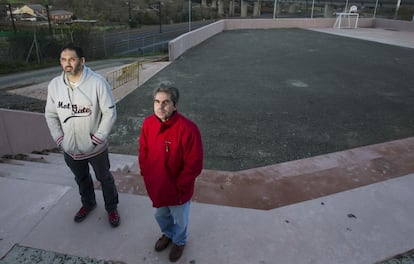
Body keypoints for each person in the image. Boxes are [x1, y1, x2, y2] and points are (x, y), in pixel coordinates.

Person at [45, 43, 120, 227]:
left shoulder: (97, 82)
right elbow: (51, 114)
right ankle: (88, 204)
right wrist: (59, 139)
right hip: (70, 149)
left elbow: (110, 113)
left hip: (95, 148)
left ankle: (112, 208)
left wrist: (98, 138)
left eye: (72, 59)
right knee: (81, 179)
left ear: (82, 61)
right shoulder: (55, 85)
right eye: (63, 60)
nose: (67, 63)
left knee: (105, 178)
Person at [138, 86, 203, 262]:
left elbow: (194, 164)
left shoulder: (188, 129)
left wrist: (180, 186)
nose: (160, 106)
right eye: (157, 102)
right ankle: (167, 233)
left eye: (165, 102)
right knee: (160, 215)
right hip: (158, 186)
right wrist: (146, 174)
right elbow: (143, 150)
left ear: (175, 105)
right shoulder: (148, 124)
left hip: (178, 190)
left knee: (180, 220)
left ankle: (179, 241)